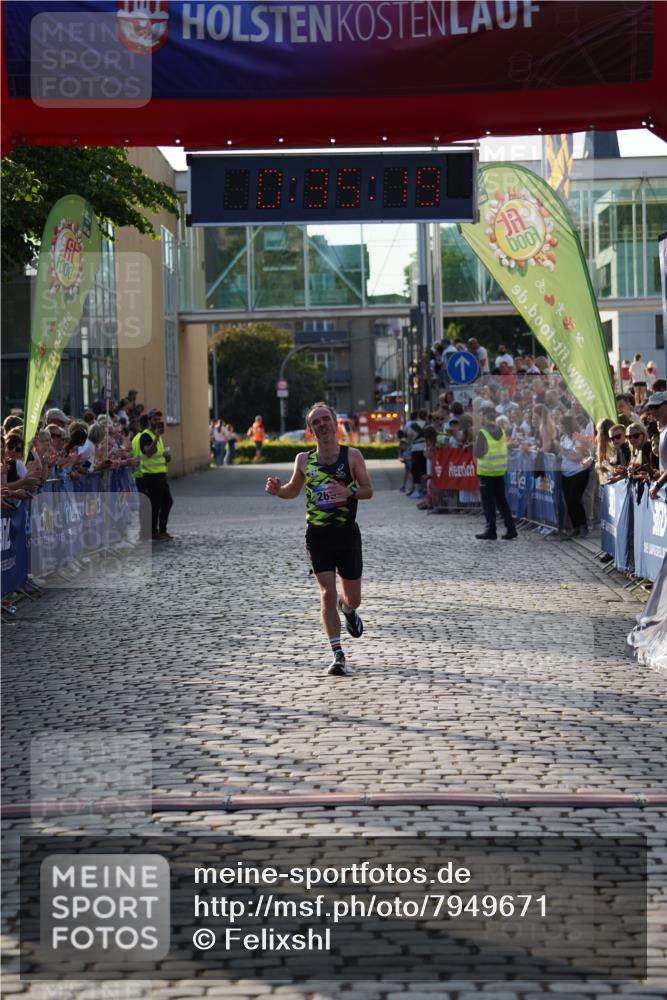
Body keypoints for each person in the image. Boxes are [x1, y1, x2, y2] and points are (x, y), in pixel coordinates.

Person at [265, 401, 374, 677]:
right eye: (316, 422)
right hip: (318, 535)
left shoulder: (352, 456)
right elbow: (293, 490)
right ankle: (338, 654)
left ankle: (348, 610)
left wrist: (348, 493)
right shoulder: (303, 460)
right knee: (327, 591)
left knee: (354, 598)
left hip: (347, 534)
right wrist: (278, 491)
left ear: (335, 424)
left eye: (326, 419)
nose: (322, 424)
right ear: (310, 429)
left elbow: (368, 490)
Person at [473, 404, 517, 540]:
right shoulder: (501, 431)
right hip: (499, 471)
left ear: (485, 417)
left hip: (487, 472)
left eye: (481, 415)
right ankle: (511, 528)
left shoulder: (483, 432)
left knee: (489, 504)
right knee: (502, 502)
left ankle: (491, 530)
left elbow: (478, 453)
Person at [139, 408, 174, 540]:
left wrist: (167, 456)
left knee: (167, 502)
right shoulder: (146, 436)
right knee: (155, 505)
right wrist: (157, 437)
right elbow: (148, 453)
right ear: (149, 421)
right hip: (151, 476)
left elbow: (160, 455)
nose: (157, 422)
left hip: (161, 475)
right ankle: (153, 532)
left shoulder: (157, 437)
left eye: (159, 419)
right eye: (155, 419)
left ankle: (162, 530)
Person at [647, 392, 667, 499]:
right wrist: (660, 473)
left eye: (657, 406)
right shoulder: (662, 430)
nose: (653, 411)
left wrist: (658, 484)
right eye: (651, 407)